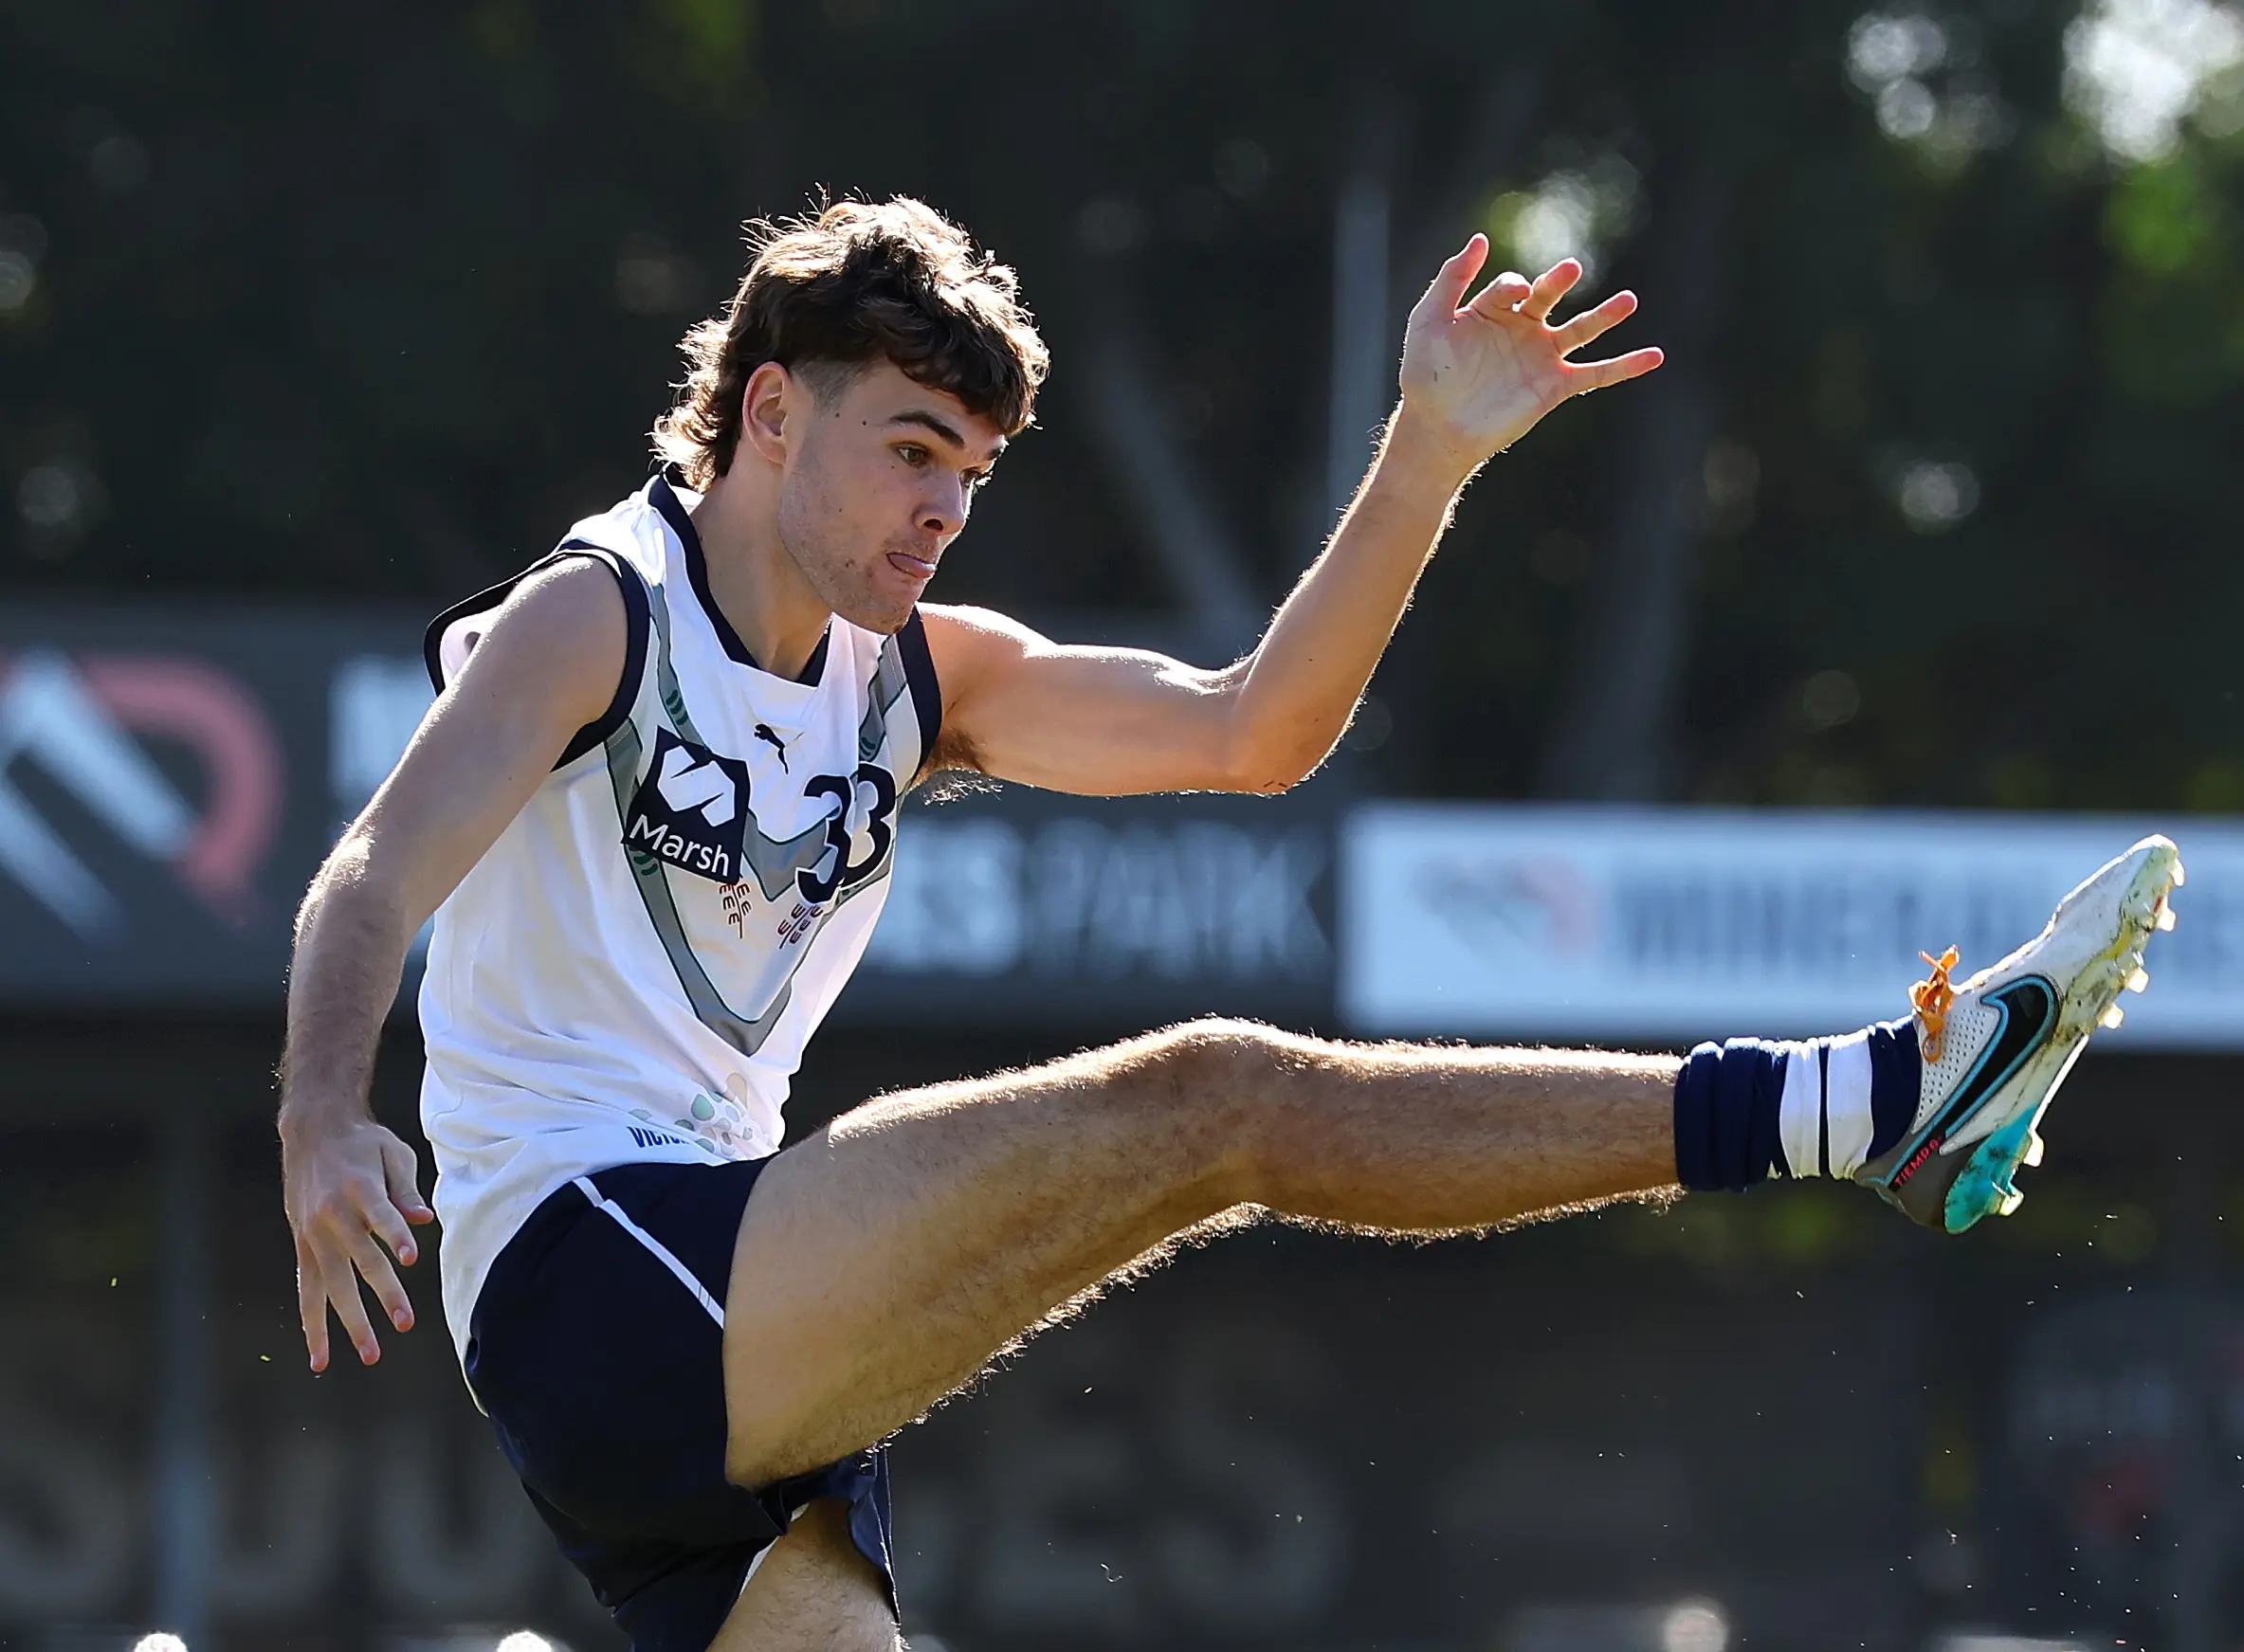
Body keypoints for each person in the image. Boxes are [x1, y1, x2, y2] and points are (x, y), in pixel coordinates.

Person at [278, 196, 2182, 1652]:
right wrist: (316, 1120)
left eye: (972, 469)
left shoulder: (918, 674)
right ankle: (1862, 1105)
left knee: (1222, 1114)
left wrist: (1427, 450)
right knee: (1220, 1098)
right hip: (593, 1277)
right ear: (770, 413)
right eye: (911, 447)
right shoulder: (598, 614)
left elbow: (1256, 728)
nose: (947, 505)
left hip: (730, 1339)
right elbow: (372, 868)